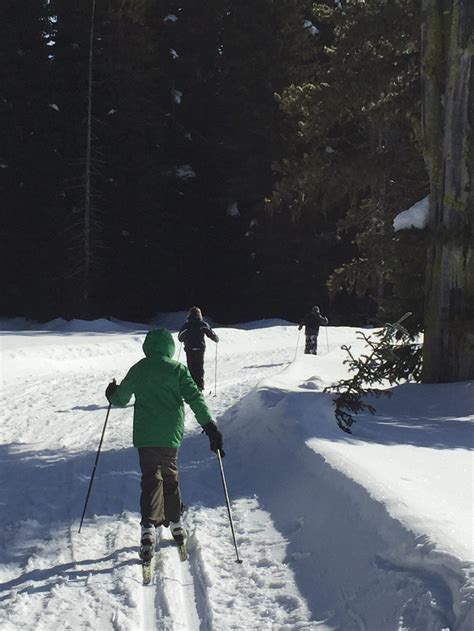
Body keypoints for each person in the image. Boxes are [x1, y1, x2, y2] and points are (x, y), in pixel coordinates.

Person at [105, 328, 224, 562]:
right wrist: (210, 426)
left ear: (148, 346)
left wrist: (112, 392)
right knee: (169, 475)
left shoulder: (139, 368)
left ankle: (148, 527)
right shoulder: (177, 369)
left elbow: (120, 399)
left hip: (146, 436)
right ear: (170, 347)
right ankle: (176, 523)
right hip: (170, 435)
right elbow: (195, 398)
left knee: (151, 478)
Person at [178, 306, 219, 391]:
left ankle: (191, 385)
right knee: (199, 367)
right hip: (200, 348)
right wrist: (216, 338)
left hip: (189, 348)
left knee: (191, 367)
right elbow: (210, 333)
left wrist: (185, 338)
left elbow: (180, 337)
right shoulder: (202, 324)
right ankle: (200, 386)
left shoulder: (187, 325)